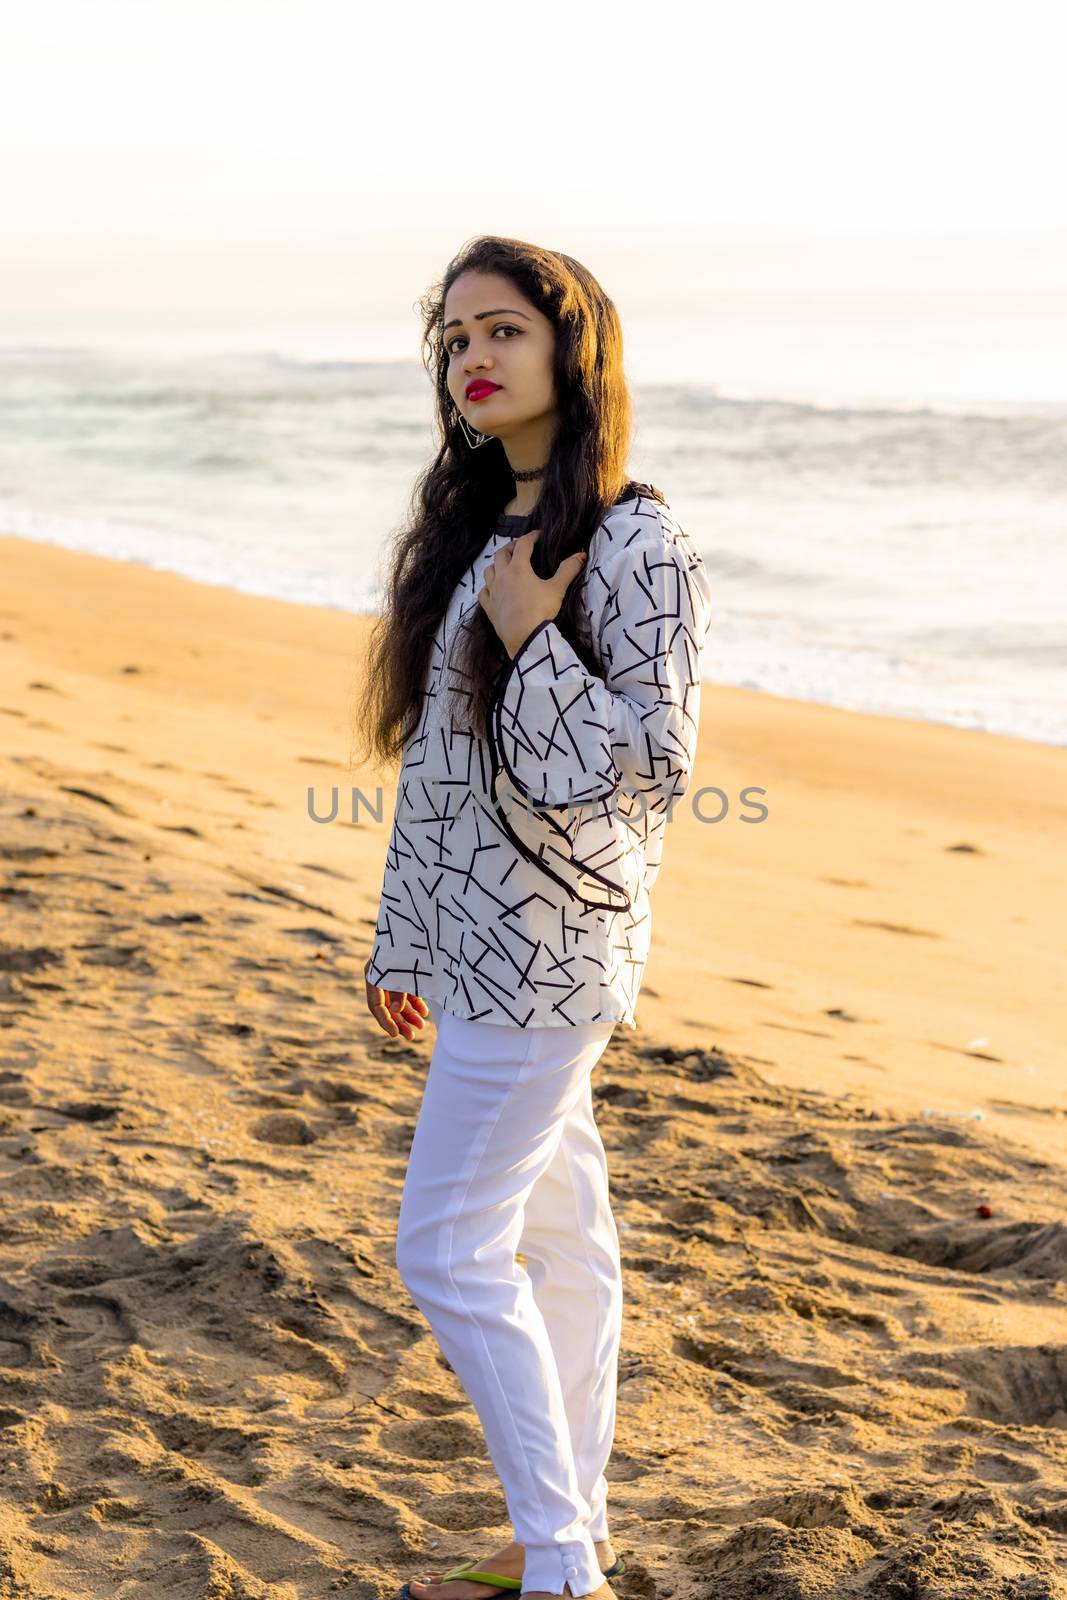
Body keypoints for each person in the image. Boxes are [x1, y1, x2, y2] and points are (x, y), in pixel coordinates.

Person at [351, 234, 713, 1600]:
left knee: (445, 1246)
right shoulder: (468, 536)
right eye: (453, 340)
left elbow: (648, 778)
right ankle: (564, 1539)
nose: (473, 359)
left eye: (502, 330)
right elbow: (438, 766)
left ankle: (565, 1566)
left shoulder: (636, 538)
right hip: (473, 949)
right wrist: (404, 936)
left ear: (575, 347)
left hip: (558, 954)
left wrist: (534, 637)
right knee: (562, 1242)